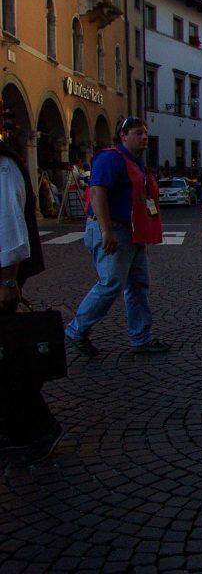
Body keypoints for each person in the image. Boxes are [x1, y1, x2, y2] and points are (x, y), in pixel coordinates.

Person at [64, 117, 169, 356]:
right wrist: (106, 230)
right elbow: (97, 191)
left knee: (138, 285)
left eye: (145, 133)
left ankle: (141, 338)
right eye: (138, 133)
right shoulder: (111, 158)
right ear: (123, 135)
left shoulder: (135, 163)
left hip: (131, 232)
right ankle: (76, 331)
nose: (144, 137)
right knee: (111, 284)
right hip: (115, 230)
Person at [0, 139, 63, 465]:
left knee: (8, 354)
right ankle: (18, 426)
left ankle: (39, 428)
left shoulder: (3, 164)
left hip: (2, 275)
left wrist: (9, 280)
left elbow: (9, 224)